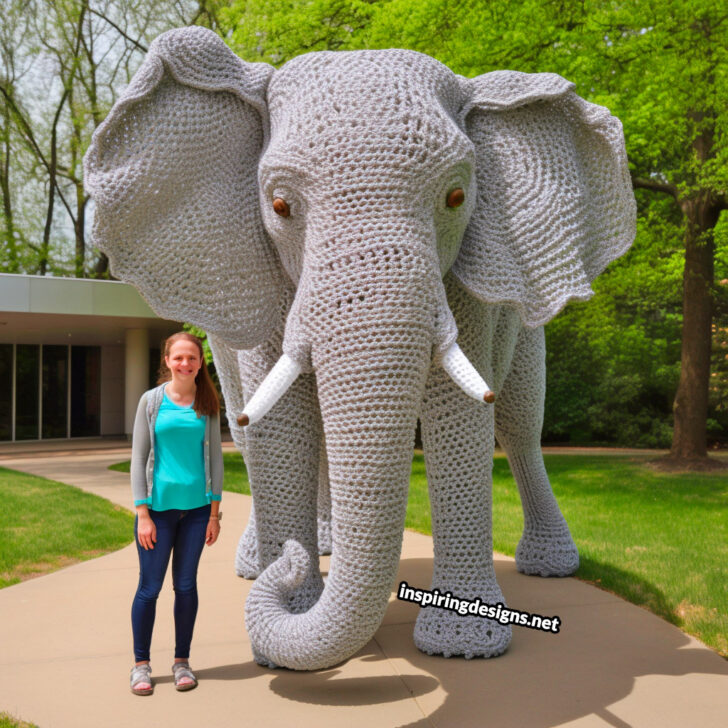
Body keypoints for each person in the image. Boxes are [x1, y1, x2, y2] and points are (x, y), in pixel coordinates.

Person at [128, 332, 223, 695]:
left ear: (200, 364)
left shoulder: (207, 402)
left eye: (193, 358)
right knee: (149, 589)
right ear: (167, 360)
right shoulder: (151, 402)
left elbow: (215, 460)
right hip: (158, 513)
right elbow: (138, 459)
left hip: (197, 513)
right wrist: (143, 513)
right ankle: (141, 666)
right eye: (179, 357)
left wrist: (214, 514)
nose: (186, 364)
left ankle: (182, 662)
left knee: (185, 587)